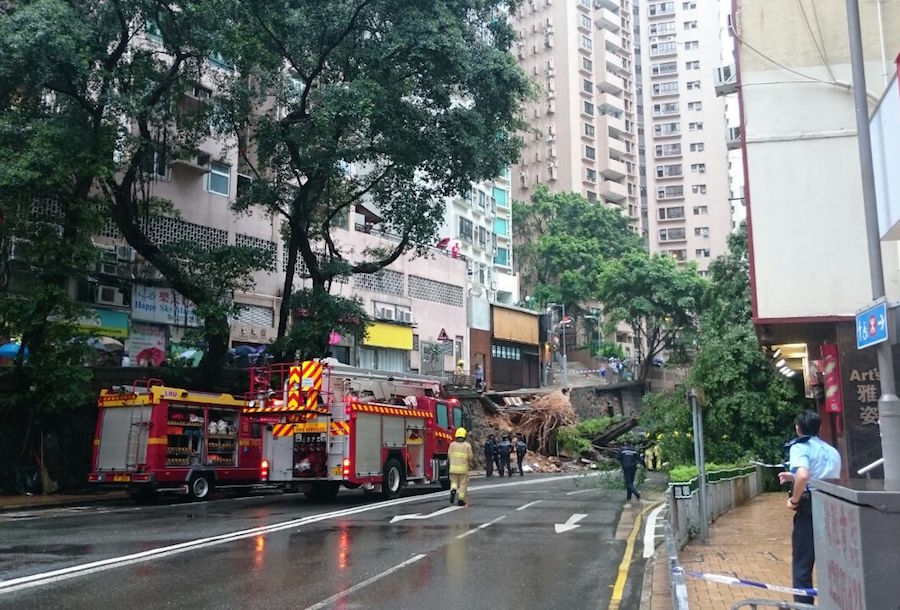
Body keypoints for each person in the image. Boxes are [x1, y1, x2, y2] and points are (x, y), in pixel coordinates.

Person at [777, 410, 841, 605]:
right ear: (819, 428)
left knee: (802, 565)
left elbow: (804, 475)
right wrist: (792, 476)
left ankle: (804, 607)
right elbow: (822, 476)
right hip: (834, 507)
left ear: (798, 428)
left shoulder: (800, 447)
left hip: (810, 509)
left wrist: (794, 501)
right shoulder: (831, 450)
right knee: (831, 562)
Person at [448, 427, 474, 506]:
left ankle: (453, 490)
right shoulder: (467, 446)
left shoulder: (452, 444)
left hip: (453, 468)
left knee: (454, 482)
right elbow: (470, 457)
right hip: (463, 469)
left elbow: (449, 455)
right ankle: (461, 499)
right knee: (463, 484)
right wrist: (469, 463)